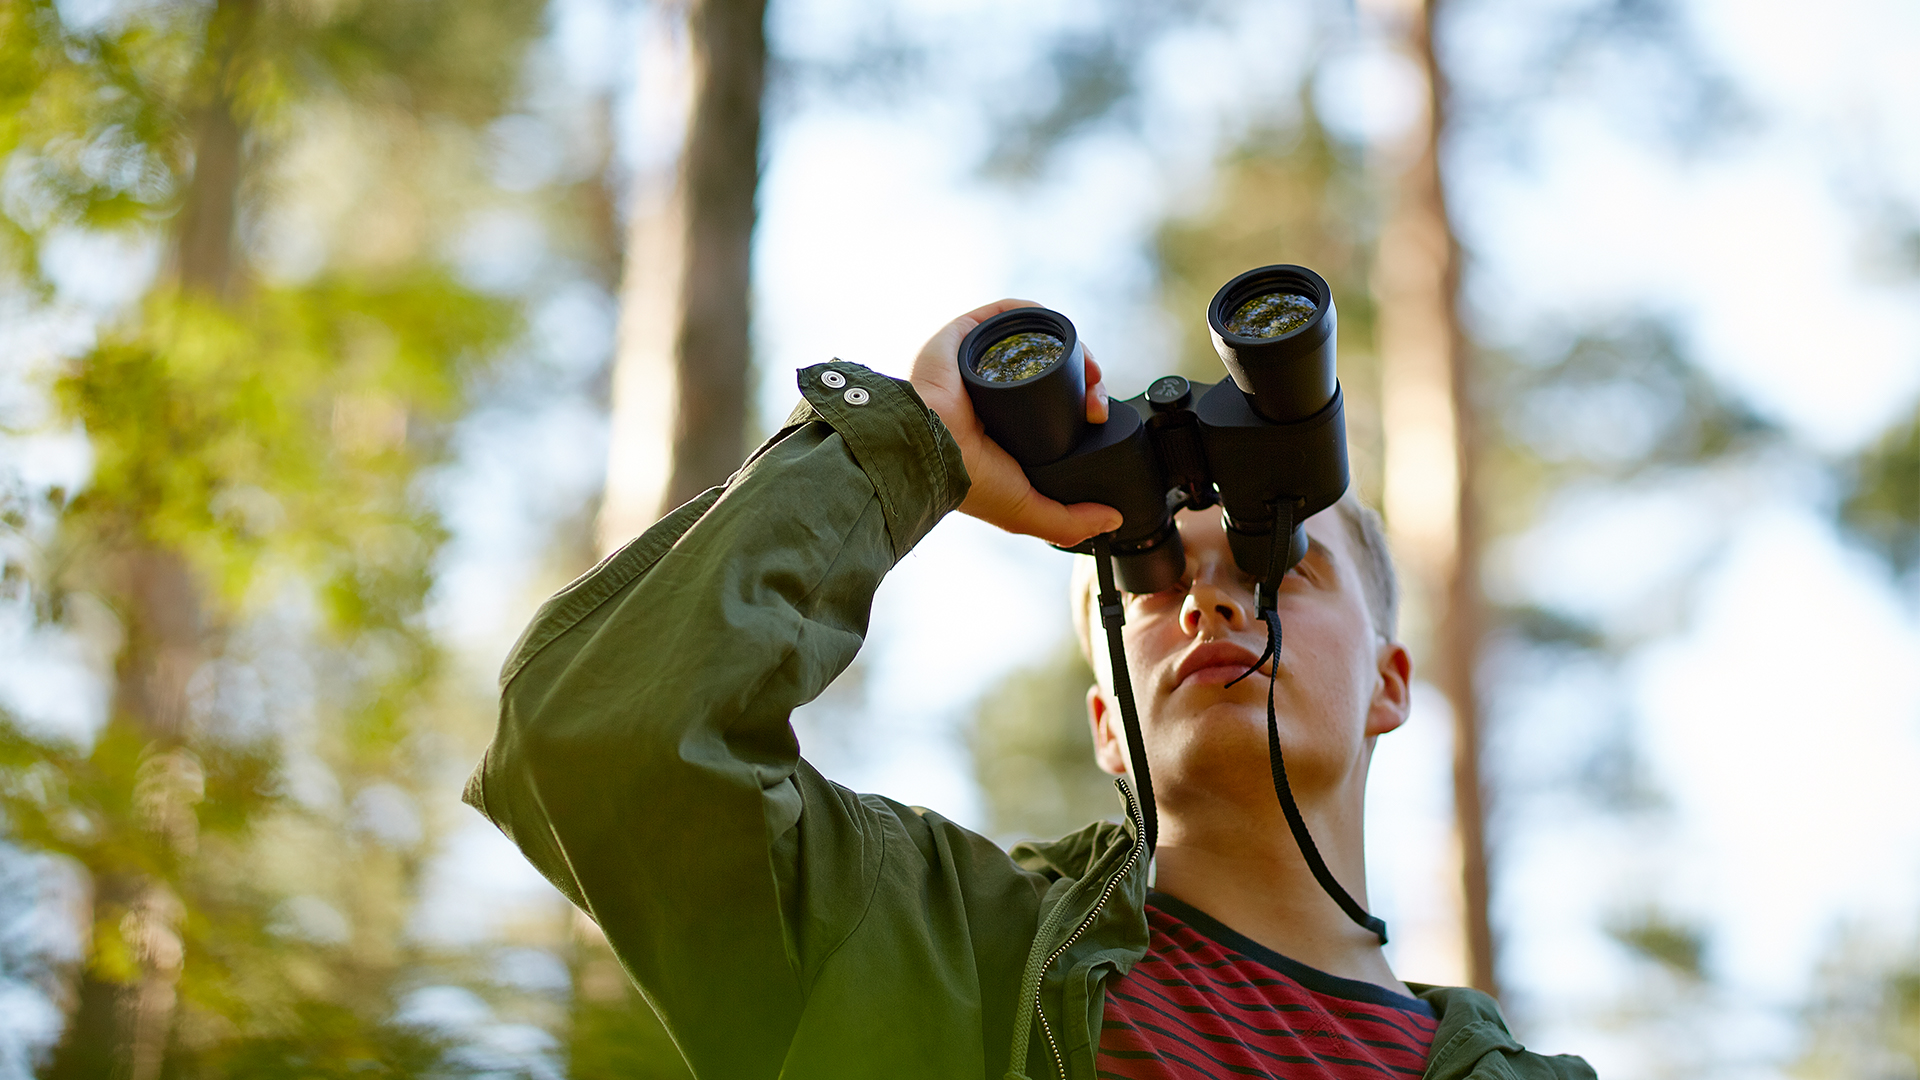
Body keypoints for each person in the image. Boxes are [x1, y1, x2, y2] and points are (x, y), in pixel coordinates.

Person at [463, 299, 1595, 1079]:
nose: (1211, 601)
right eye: (1154, 582)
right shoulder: (925, 939)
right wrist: (914, 445)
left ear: (1392, 684)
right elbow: (597, 734)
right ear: (1109, 721)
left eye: (1273, 556)